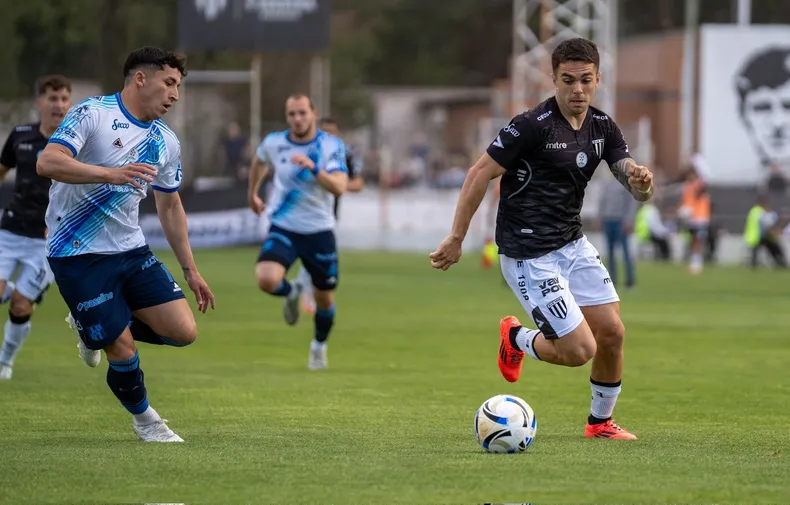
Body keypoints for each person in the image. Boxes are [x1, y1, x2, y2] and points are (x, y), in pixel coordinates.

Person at [430, 38, 654, 440]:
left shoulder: (603, 127)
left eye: (586, 80)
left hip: (572, 243)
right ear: (553, 79)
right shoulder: (531, 125)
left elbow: (631, 180)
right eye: (568, 81)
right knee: (578, 351)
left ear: (598, 79)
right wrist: (456, 237)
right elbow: (479, 173)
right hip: (529, 254)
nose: (578, 90)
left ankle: (599, 423)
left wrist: (641, 181)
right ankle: (516, 337)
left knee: (613, 333)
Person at [37, 47, 215, 442]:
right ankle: (147, 421)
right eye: (169, 83)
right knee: (121, 344)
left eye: (179, 87)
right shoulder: (93, 114)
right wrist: (109, 174)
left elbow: (170, 206)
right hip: (76, 253)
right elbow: (47, 162)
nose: (175, 95)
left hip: (131, 251)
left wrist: (191, 270)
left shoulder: (165, 141)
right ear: (140, 78)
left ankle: (91, 327)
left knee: (184, 331)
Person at [247, 95, 348, 370]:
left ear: (313, 113)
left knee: (324, 299)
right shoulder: (274, 142)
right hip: (284, 226)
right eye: (291, 114)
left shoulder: (330, 145)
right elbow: (258, 161)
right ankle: (291, 292)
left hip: (319, 231)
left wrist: (314, 168)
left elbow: (339, 187)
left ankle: (318, 347)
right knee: (266, 279)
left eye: (302, 113)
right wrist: (252, 193)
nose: (297, 119)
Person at [0, 75, 72, 380]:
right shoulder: (20, 136)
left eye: (64, 99)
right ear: (40, 102)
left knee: (20, 306)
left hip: (47, 241)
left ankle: (5, 361)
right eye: (52, 98)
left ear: (70, 104)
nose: (58, 104)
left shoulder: (76, 142)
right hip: (11, 230)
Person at [295, 117, 364, 315]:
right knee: (315, 252)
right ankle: (307, 294)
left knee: (319, 254)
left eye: (332, 132)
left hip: (329, 216)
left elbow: (358, 183)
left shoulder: (345, 155)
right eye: (324, 132)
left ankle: (303, 290)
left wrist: (336, 185)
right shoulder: (306, 154)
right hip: (306, 211)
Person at [598, 176, 639, 288]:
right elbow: (602, 201)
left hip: (620, 221)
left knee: (625, 253)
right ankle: (612, 280)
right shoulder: (607, 183)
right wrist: (600, 217)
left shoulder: (626, 184)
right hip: (608, 220)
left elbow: (631, 203)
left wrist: (629, 220)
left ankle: (629, 281)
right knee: (610, 253)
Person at [678, 168, 710, 275]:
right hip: (692, 218)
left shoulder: (699, 184)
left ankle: (697, 263)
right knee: (693, 240)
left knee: (698, 240)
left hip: (700, 217)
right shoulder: (687, 186)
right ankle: (694, 262)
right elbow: (686, 200)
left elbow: (701, 191)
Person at [744, 195, 786, 268]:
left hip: (756, 236)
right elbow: (766, 225)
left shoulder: (754, 211)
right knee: (773, 249)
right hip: (759, 235)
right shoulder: (760, 211)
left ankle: (780, 264)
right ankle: (781, 264)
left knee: (766, 250)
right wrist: (774, 232)